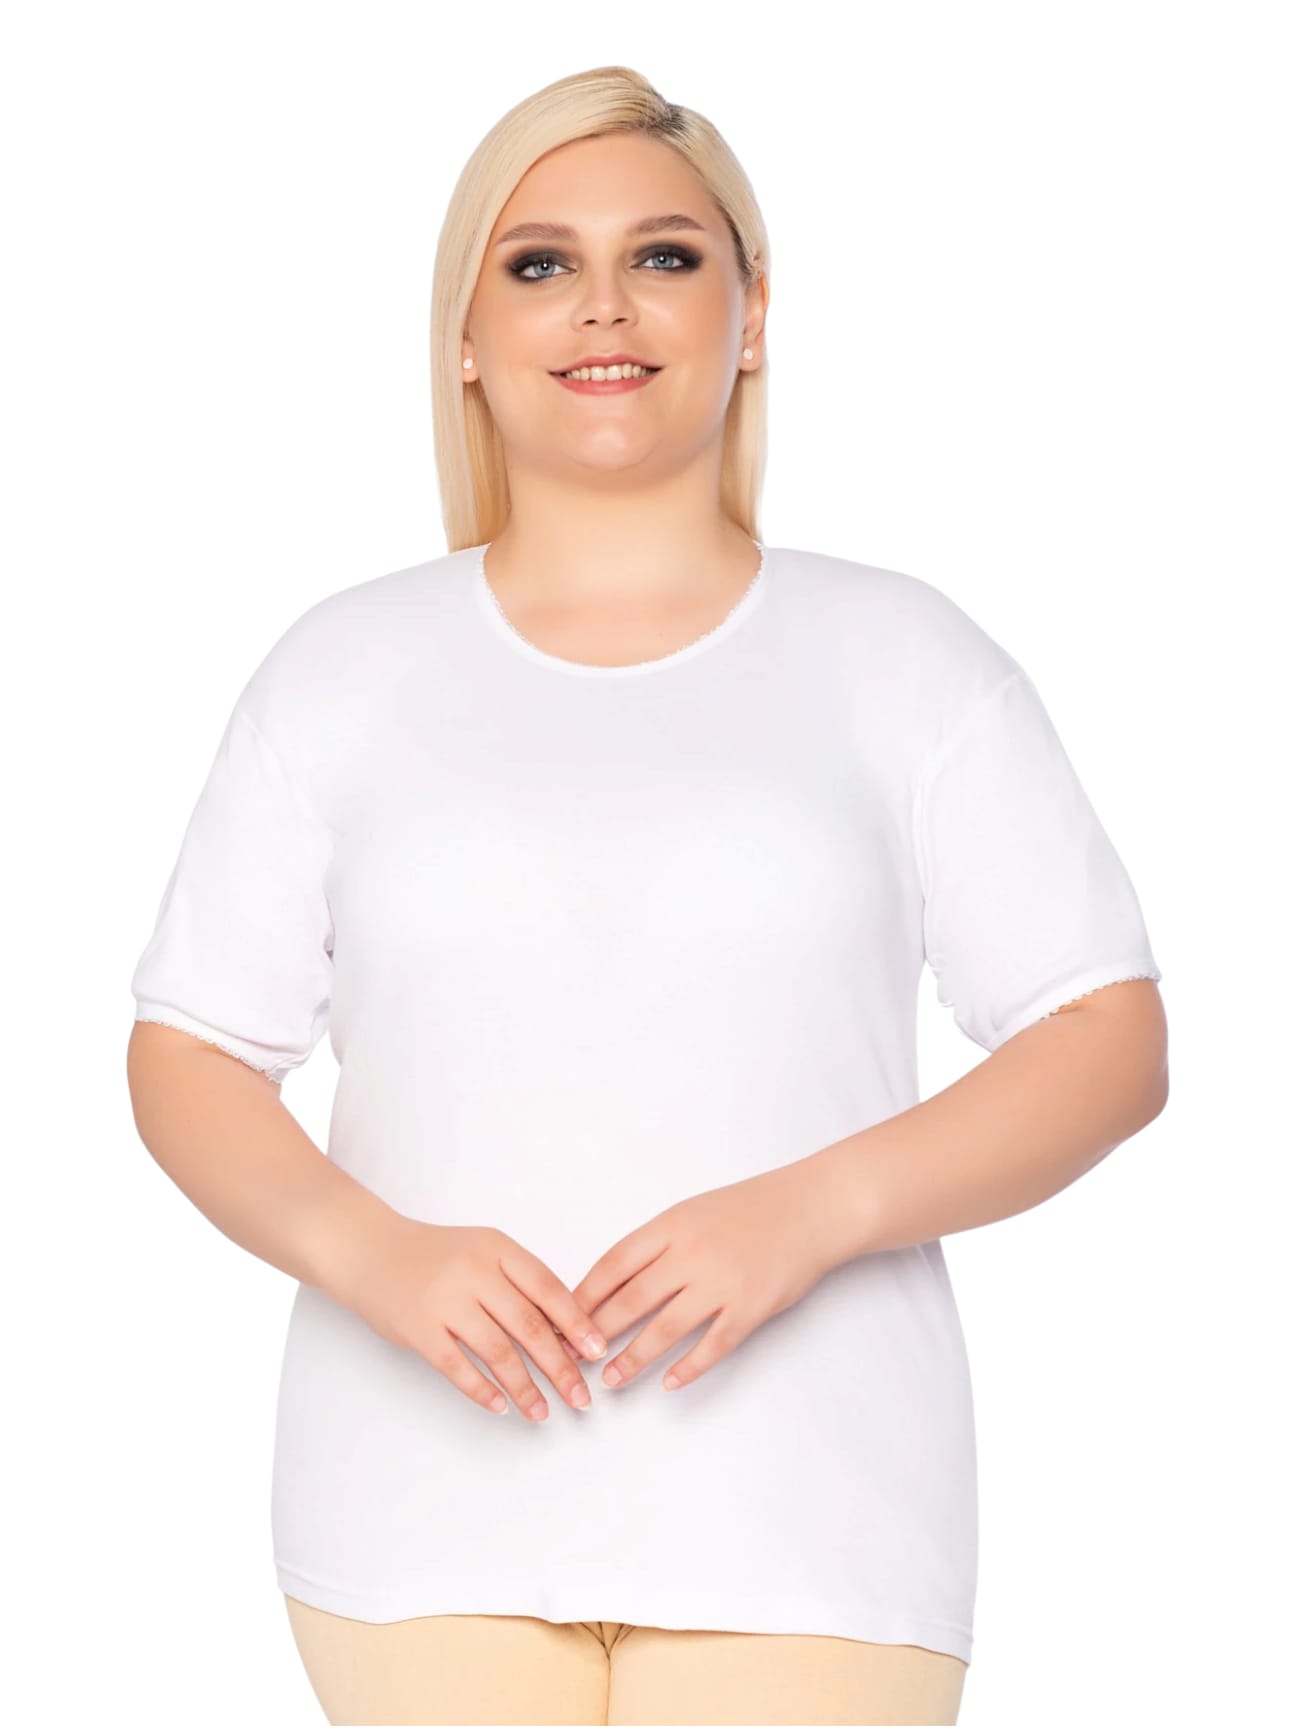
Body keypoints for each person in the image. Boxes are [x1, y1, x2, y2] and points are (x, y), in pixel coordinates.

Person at [125, 64, 1169, 1728]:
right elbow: (190, 1048)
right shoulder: (340, 673)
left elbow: (1105, 1040)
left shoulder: (904, 661)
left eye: (665, 256)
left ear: (752, 316)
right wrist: (373, 1253)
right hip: (412, 1524)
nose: (603, 304)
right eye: (539, 261)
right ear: (467, 336)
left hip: (816, 1521)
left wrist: (815, 1210)